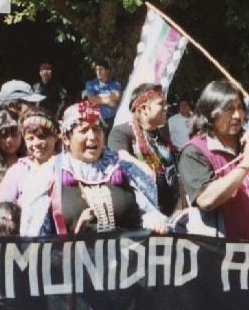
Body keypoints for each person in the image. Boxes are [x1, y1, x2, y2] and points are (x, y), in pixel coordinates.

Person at [34, 101, 168, 236]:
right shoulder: (48, 175)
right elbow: (35, 235)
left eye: (96, 129)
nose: (92, 136)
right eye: (83, 130)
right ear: (66, 139)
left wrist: (155, 222)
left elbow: (148, 213)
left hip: (126, 248)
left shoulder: (125, 168)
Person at [175, 80, 249, 241]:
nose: (237, 115)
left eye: (240, 108)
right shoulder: (194, 151)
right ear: (210, 112)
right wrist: (246, 163)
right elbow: (206, 199)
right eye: (229, 109)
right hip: (221, 251)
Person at [108, 83, 179, 214]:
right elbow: (119, 156)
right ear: (144, 108)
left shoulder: (163, 134)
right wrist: (141, 166)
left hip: (171, 211)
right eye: (161, 104)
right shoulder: (122, 132)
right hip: (143, 214)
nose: (166, 107)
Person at [0, 109, 61, 234]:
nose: (36, 143)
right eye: (30, 138)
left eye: (42, 137)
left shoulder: (67, 167)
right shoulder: (17, 172)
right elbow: (5, 213)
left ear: (55, 137)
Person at [83, 60, 122, 125]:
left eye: (101, 69)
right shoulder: (90, 84)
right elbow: (91, 99)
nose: (98, 72)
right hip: (98, 120)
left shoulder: (115, 84)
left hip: (115, 118)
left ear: (107, 71)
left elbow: (117, 96)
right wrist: (108, 101)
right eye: (97, 69)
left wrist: (98, 96)